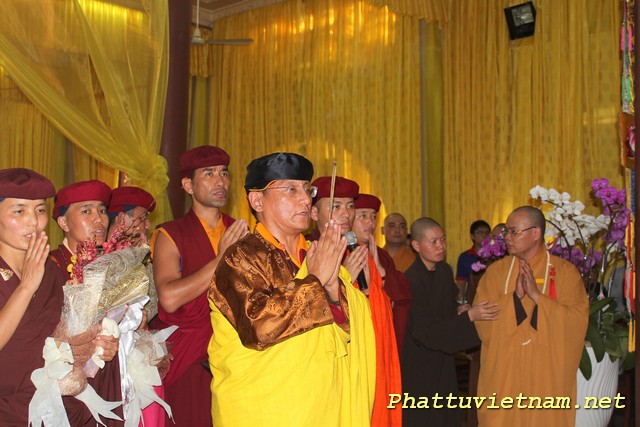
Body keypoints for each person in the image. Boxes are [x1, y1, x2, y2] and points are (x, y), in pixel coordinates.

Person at [208, 152, 376, 426]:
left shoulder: (315, 253)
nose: (306, 199)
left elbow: (348, 329)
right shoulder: (240, 258)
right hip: (264, 410)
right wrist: (316, 280)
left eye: (307, 189)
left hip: (322, 405)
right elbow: (258, 328)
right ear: (257, 200)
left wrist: (333, 289)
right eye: (291, 190)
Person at [0, 168, 120, 426]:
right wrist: (26, 287)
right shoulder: (40, 272)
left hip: (52, 404)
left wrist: (96, 346)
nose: (33, 222)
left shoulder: (51, 271)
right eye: (19, 211)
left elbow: (63, 336)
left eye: (39, 210)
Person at [150, 145, 248, 426]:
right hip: (190, 359)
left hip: (235, 356)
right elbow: (169, 298)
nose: (220, 181)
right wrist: (220, 259)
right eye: (209, 173)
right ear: (188, 185)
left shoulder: (240, 231)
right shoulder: (170, 234)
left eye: (224, 173)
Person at [473, 206, 589, 426]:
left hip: (546, 377)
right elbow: (482, 319)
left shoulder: (565, 273)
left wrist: (538, 298)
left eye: (513, 231)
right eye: (506, 232)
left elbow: (576, 322)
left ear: (536, 233)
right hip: (504, 377)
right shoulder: (496, 273)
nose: (507, 237)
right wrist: (515, 299)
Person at [401, 217, 498, 427]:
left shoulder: (444, 271)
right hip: (420, 363)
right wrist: (469, 317)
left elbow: (446, 309)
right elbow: (424, 332)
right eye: (433, 241)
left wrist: (460, 310)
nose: (441, 246)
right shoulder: (410, 281)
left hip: (443, 360)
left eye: (443, 239)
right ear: (416, 245)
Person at [352, 194, 412, 352]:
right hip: (358, 337)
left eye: (373, 216)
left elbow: (402, 296)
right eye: (363, 216)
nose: (370, 222)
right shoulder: (342, 252)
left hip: (382, 333)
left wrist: (380, 270)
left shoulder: (382, 256)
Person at [49, 179, 112, 275]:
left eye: (102, 211)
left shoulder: (112, 264)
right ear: (64, 223)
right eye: (86, 211)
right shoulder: (50, 266)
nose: (99, 219)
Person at [307, 175, 359, 240]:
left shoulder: (356, 246)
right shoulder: (303, 245)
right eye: (336, 206)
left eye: (350, 206)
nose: (346, 214)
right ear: (314, 213)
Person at [455, 220, 491, 303]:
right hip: (472, 300)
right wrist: (460, 303)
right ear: (472, 236)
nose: (484, 235)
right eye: (480, 232)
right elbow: (461, 283)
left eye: (487, 233)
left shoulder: (495, 255)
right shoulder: (464, 257)